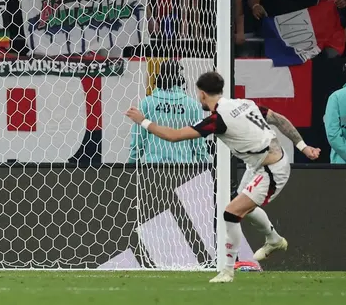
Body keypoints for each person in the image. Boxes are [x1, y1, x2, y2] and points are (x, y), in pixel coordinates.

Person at [125, 71, 321, 283]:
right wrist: (303, 147)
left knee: (231, 212)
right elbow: (279, 119)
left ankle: (228, 271)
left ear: (202, 94)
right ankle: (273, 239)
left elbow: (174, 136)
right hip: (258, 165)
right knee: (241, 204)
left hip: (272, 171)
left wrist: (143, 121)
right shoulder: (244, 104)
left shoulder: (217, 120)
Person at [128, 61, 207, 164]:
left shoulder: (147, 103)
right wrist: (206, 165)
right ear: (180, 78)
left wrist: (131, 165)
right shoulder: (192, 105)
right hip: (183, 167)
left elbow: (138, 140)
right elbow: (199, 144)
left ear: (159, 77)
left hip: (153, 167)